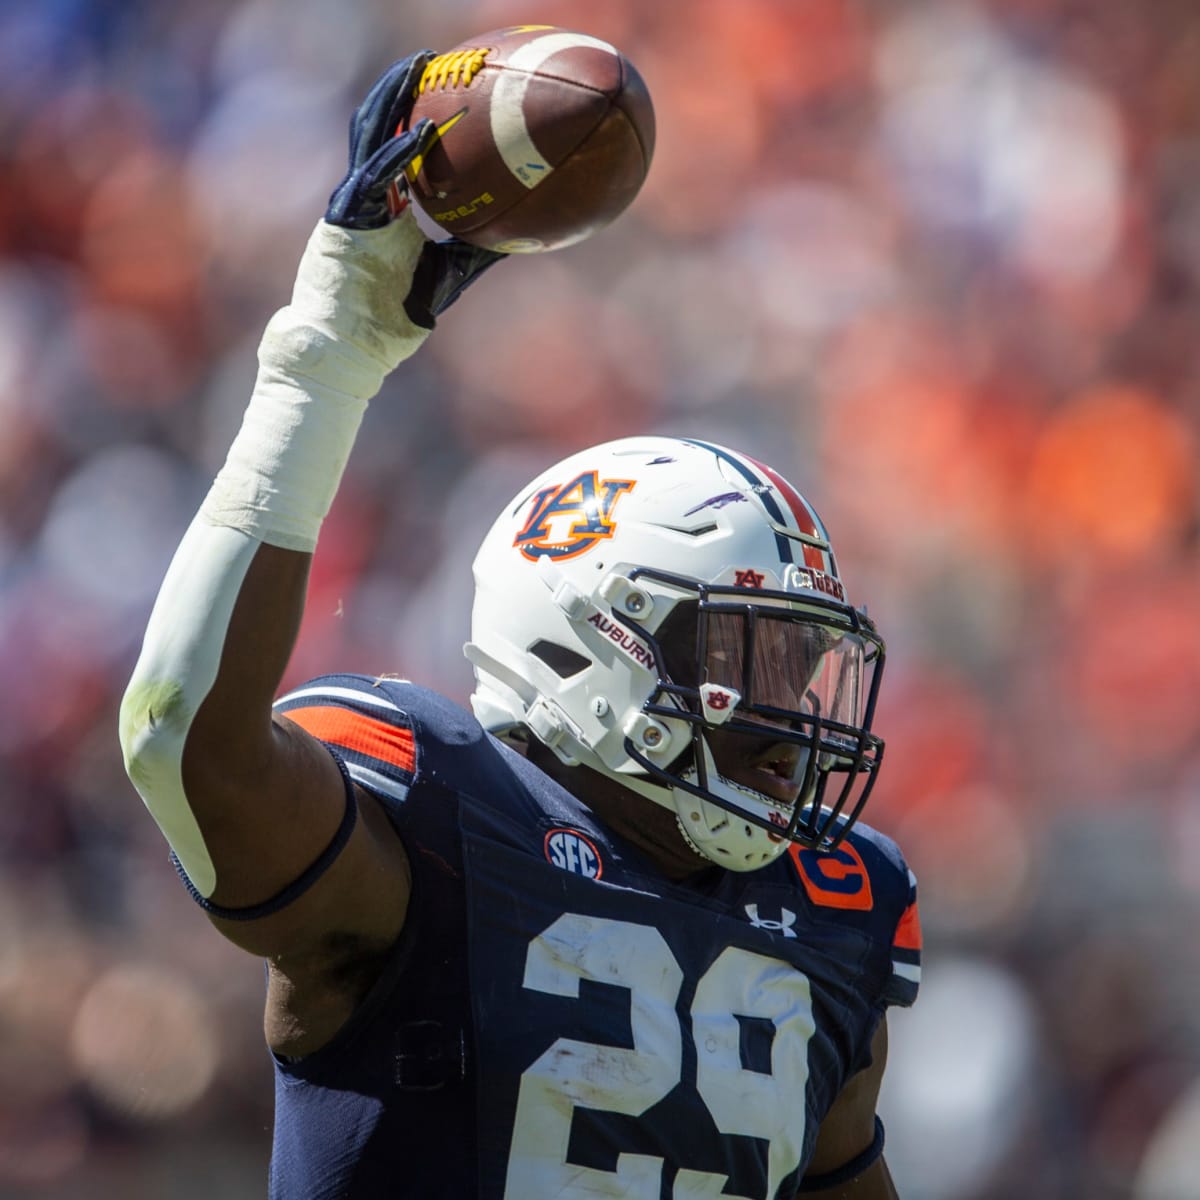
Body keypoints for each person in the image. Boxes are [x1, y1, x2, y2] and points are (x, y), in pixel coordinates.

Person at [119, 49, 920, 1200]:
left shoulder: (838, 908)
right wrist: (328, 358)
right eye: (752, 657)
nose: (793, 720)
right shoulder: (435, 824)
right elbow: (179, 742)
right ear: (592, 641)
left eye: (806, 666)